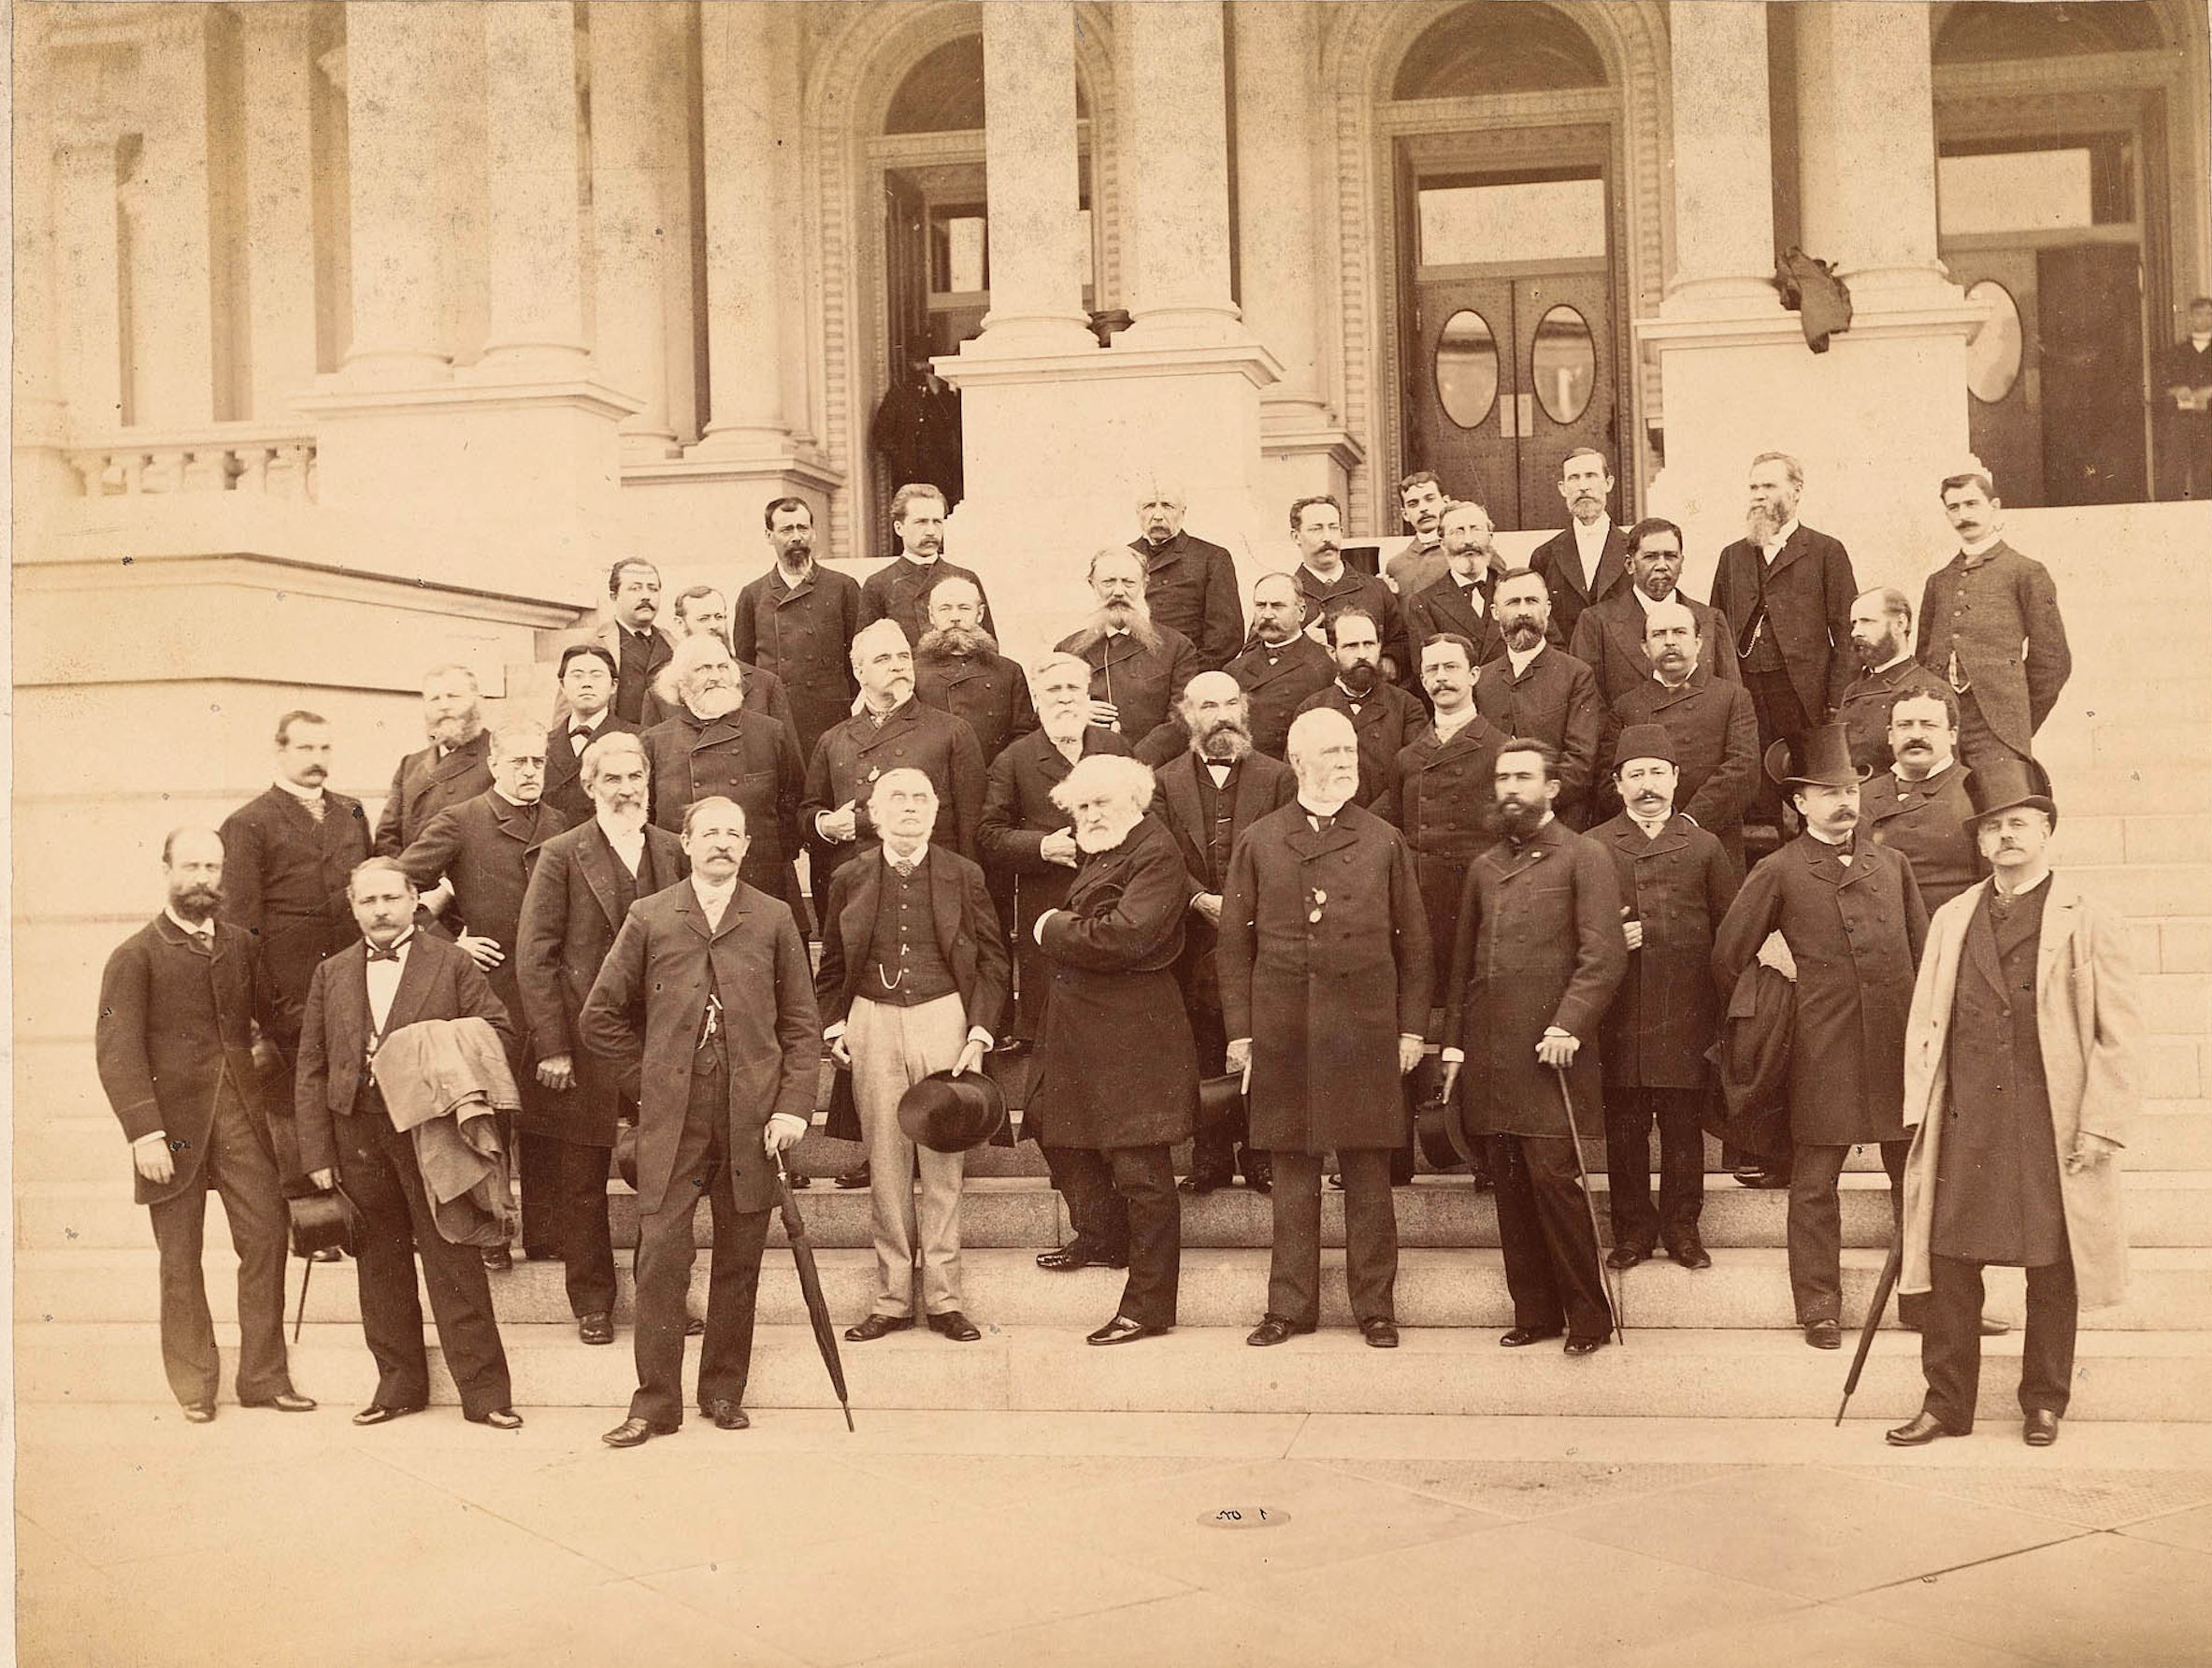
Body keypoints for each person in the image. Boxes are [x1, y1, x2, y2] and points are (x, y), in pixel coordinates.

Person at [1888, 761, 2138, 1449]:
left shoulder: (2089, 918)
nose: (2005, 837)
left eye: (2018, 824)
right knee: (1949, 1265)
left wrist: (2103, 1125)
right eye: (1992, 828)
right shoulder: (1952, 916)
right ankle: (1946, 1404)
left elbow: (2118, 1033)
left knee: (2053, 1266)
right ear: (1979, 843)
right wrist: (1919, 1108)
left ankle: (2045, 1401)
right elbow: (1925, 1021)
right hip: (1966, 1118)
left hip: (2050, 1119)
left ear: (2047, 830)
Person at [582, 798, 819, 1445]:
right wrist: (649, 1084)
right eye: (708, 832)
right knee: (659, 1257)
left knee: (739, 1259)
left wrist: (794, 1107)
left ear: (746, 846)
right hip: (672, 1121)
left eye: (732, 833)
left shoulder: (772, 918)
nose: (720, 842)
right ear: (684, 843)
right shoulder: (650, 916)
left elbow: (802, 1026)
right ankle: (654, 1404)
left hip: (753, 1120)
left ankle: (723, 1390)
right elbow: (600, 1017)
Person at [1712, 724, 1928, 1350]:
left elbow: (1920, 951)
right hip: (1822, 1047)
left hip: (1896, 1044)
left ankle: (1921, 1296)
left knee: (1912, 1177)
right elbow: (1729, 958)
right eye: (1826, 791)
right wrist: (1778, 1001)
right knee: (1814, 1186)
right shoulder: (1779, 870)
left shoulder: (1893, 865)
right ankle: (1819, 1306)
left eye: (1850, 789)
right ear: (1800, 803)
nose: (1843, 801)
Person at [1221, 709, 1431, 1351]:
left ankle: (1376, 1307)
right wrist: (1241, 1034)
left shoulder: (1383, 839)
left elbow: (1417, 945)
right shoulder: (1259, 840)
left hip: (1364, 1025)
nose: (1346, 762)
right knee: (1292, 1171)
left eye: (1350, 750)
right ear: (1296, 758)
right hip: (1285, 1026)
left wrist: (1411, 1031)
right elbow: (1234, 945)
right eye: (1331, 752)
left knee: (1369, 1171)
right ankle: (1289, 1306)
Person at [294, 858, 523, 1430]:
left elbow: (499, 1032)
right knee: (379, 1265)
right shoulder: (334, 972)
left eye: (391, 898)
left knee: (453, 1258)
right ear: (353, 907)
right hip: (358, 1134)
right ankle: (397, 1387)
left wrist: (428, 1049)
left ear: (413, 899)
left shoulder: (450, 962)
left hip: (433, 1133)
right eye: (368, 901)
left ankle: (485, 1394)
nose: (380, 910)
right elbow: (312, 1067)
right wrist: (318, 1155)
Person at [95, 828, 312, 1423]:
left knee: (267, 1238)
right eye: (190, 866)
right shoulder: (134, 955)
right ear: (164, 869)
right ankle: (194, 1383)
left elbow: (281, 1017)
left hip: (242, 1119)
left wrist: (344, 1030)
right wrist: (143, 1133)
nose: (203, 878)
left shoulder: (241, 944)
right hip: (171, 1130)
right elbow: (116, 1052)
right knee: (180, 1256)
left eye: (213, 867)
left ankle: (264, 1378)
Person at [1437, 740, 1628, 1355]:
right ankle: (1536, 1312)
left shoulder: (1585, 856)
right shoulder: (1483, 868)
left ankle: (1588, 1318)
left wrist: (1568, 1025)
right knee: (1511, 1189)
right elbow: (1463, 967)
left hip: (1551, 1054)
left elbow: (1603, 956)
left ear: (1552, 787)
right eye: (1502, 778)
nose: (1510, 788)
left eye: (1523, 777)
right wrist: (1455, 1049)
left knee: (1556, 1185)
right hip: (1493, 1056)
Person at [816, 769, 1009, 1345]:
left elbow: (995, 961)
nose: (908, 807)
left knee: (944, 1161)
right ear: (874, 814)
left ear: (935, 810)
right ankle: (893, 1298)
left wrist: (978, 1032)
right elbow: (830, 964)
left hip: (944, 1016)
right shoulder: (849, 876)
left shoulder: (963, 874)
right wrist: (834, 1027)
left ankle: (945, 1299)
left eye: (920, 797)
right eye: (895, 798)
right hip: (871, 1018)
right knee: (885, 1162)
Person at [516, 732, 688, 1344]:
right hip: (584, 1043)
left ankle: (664, 1296)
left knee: (666, 1176)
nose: (624, 789)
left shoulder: (674, 852)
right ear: (589, 786)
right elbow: (535, 958)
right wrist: (554, 1045)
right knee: (581, 1179)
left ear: (649, 783)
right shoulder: (562, 854)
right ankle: (591, 1301)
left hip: (661, 1043)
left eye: (633, 777)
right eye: (610, 779)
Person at [1030, 754, 1199, 1344]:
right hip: (1081, 1028)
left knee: (1140, 1170)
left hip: (1134, 1031)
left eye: (1102, 802)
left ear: (1136, 801)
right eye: (1082, 806)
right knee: (1060, 1136)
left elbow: (1124, 936)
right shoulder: (1108, 849)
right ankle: (1103, 1239)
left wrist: (1050, 927)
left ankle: (1148, 1306)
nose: (1090, 815)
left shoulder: (1155, 851)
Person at [978, 655, 1137, 1267]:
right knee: (1049, 1102)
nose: (1065, 698)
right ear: (1037, 700)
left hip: (1116, 930)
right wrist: (1041, 845)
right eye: (1053, 691)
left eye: (1074, 687)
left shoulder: (1115, 746)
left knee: (1113, 1093)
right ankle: (1094, 1224)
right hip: (1049, 937)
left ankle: (1119, 1226)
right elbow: (988, 835)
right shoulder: (1015, 760)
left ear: (1090, 692)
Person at [396, 723, 572, 1273]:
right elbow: (401, 886)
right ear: (493, 764)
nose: (527, 772)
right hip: (487, 993)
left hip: (549, 988)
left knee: (546, 1111)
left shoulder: (560, 824)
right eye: (516, 762)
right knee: (491, 1111)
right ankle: (493, 1226)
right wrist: (452, 943)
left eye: (536, 763)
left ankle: (545, 1232)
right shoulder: (461, 820)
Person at [1588, 726, 1740, 1273]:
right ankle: (1631, 1232)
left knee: (1682, 1131)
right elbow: (1577, 931)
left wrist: (1722, 1014)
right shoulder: (1596, 845)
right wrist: (1610, 937)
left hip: (1685, 1013)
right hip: (1622, 1015)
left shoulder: (1703, 847)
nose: (1647, 786)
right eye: (1636, 775)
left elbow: (1730, 930)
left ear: (1676, 779)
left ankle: (1682, 1229)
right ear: (1618, 784)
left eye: (1657, 772)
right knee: (1625, 1129)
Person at [1152, 672, 1296, 1195]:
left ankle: (1260, 1156)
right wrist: (1196, 898)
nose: (1221, 714)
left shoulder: (1279, 778)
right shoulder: (1163, 781)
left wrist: (1241, 906)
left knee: (1264, 1040)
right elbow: (1162, 853)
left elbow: (1285, 847)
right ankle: (1210, 1158)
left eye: (1230, 702)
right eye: (1207, 705)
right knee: (1204, 1046)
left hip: (1260, 932)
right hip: (1191, 935)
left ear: (1245, 709)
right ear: (1187, 715)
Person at [1710, 453, 1858, 828]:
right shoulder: (1732, 557)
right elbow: (1716, 633)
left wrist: (1836, 704)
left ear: (1796, 491)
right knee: (1755, 800)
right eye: (1753, 487)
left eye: (1769, 486)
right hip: (1746, 697)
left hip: (1803, 699)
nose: (1758, 495)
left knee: (1811, 797)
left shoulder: (1826, 551)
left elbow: (1846, 633)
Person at [218, 712, 373, 1068]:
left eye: (324, 748)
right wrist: (275, 1011)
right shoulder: (248, 823)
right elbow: (240, 931)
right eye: (305, 748)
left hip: (355, 989)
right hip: (290, 1003)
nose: (317, 759)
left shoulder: (352, 811)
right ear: (280, 750)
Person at [1381, 634, 1510, 1022]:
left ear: (1473, 675)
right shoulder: (1407, 759)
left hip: (1482, 900)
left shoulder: (1503, 748)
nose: (1442, 678)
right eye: (1432, 670)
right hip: (1424, 903)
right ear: (1421, 681)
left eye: (1451, 667)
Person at [1916, 468, 2072, 775]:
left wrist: (2016, 721)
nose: (1963, 514)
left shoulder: (2025, 572)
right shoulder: (1939, 581)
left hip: (1997, 728)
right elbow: (1923, 657)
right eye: (1954, 507)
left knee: (1999, 810)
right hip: (1943, 726)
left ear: (1995, 507)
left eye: (1972, 504)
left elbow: (2053, 662)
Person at [804, 619, 987, 879]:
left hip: (929, 880)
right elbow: (808, 812)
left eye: (903, 656)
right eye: (883, 659)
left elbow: (972, 829)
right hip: (856, 885)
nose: (898, 665)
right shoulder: (834, 739)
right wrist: (826, 824)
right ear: (859, 671)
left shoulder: (952, 731)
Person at [640, 637, 807, 921]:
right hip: (685, 889)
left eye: (722, 667)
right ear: (680, 683)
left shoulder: (770, 733)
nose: (715, 676)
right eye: (703, 669)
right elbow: (650, 822)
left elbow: (793, 805)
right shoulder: (654, 742)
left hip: (761, 884)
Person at [1601, 600, 1760, 862]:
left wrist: (1689, 821)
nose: (1670, 641)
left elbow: (1744, 770)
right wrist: (1649, 823)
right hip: (1643, 843)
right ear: (1644, 647)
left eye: (1680, 632)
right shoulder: (1625, 706)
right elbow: (1608, 779)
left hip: (1712, 840)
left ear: (1699, 642)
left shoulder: (1732, 697)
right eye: (1659, 634)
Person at [732, 496, 866, 766]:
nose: (796, 537)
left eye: (802, 528)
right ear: (769, 536)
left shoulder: (843, 587)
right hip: (776, 716)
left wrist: (834, 698)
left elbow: (858, 656)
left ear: (813, 533)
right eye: (786, 530)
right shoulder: (752, 595)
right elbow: (746, 666)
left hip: (828, 715)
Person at [1473, 569, 1602, 828]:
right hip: (1493, 823)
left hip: (1559, 822)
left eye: (1531, 601)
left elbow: (1580, 761)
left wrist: (1531, 802)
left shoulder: (1576, 675)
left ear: (1548, 609)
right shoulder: (1481, 679)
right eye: (1512, 602)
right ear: (1495, 612)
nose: (1523, 611)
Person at [1568, 517, 1740, 706]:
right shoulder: (1596, 622)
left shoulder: (1710, 619)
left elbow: (1733, 700)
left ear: (1681, 563)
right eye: (1650, 557)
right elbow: (1587, 702)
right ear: (1629, 565)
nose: (1661, 565)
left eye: (1671, 556)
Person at [1056, 547, 1201, 747]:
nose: (1118, 592)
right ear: (1092, 585)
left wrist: (1135, 759)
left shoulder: (1177, 647)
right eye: (1108, 582)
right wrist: (1074, 712)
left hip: (1151, 765)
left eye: (1128, 582)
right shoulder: (1068, 650)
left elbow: (1181, 719)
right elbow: (1047, 713)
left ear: (1144, 585)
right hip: (1086, 765)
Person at [1862, 689, 1987, 913]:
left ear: (1952, 734)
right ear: (1890, 735)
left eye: (1929, 725)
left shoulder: (1978, 793)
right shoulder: (1862, 796)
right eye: (1905, 725)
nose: (1916, 735)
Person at [1294, 608, 1429, 809]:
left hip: (1388, 824)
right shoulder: (1311, 710)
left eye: (1369, 644)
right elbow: (1301, 780)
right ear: (1332, 652)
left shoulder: (1408, 707)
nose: (1362, 654)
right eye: (1351, 646)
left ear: (1379, 646)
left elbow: (1413, 777)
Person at [639, 585, 798, 740]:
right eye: (704, 619)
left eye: (719, 617)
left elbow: (789, 760)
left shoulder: (766, 684)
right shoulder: (659, 696)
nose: (714, 626)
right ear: (680, 623)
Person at [372, 665, 493, 859]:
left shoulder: (498, 756)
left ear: (477, 701)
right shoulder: (410, 765)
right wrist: (401, 880)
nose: (443, 705)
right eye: (435, 698)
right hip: (410, 882)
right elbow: (387, 834)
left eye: (453, 696)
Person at [914, 572, 1037, 762]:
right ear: (931, 615)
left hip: (994, 780)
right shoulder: (914, 672)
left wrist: (999, 775)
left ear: (980, 614)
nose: (955, 617)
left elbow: (1024, 735)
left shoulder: (1008, 671)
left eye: (964, 608)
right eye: (945, 609)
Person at [1288, 495, 1409, 683]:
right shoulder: (1284, 594)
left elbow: (1402, 640)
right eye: (1316, 529)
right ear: (1296, 536)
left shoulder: (1376, 589)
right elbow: (1256, 655)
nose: (1327, 537)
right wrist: (1300, 644)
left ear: (1342, 532)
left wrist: (1389, 660)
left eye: (1333, 527)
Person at [1832, 588, 1953, 776]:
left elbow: (1942, 776)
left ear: (1900, 624)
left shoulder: (1929, 689)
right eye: (1854, 624)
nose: (1856, 632)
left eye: (1867, 622)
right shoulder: (1852, 689)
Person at [859, 482, 994, 648]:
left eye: (937, 522)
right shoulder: (879, 584)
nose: (931, 531)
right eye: (921, 522)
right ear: (899, 528)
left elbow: (989, 648)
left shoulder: (966, 578)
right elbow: (867, 651)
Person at [1221, 571, 1336, 761]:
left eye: (1277, 606)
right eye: (1260, 606)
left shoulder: (1325, 664)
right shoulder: (1234, 670)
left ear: (1301, 612)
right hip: (1251, 773)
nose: (1267, 614)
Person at [1131, 482, 1244, 671]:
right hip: (1135, 674)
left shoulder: (1211, 557)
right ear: (1138, 512)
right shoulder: (1123, 557)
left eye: (1167, 506)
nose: (1158, 516)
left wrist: (1186, 674)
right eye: (1149, 506)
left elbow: (1226, 637)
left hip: (1187, 674)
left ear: (1182, 512)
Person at [1530, 448, 1630, 647]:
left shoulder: (1635, 550)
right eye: (1574, 478)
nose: (1583, 486)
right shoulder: (1544, 556)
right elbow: (1538, 615)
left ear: (1608, 483)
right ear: (1562, 488)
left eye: (1591, 476)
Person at [1403, 499, 1510, 669]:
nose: (1469, 540)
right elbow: (1426, 671)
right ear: (1442, 544)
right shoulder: (1424, 604)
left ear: (1490, 538)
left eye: (1476, 529)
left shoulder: (1514, 591)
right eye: (1458, 531)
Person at [541, 645, 639, 826]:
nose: (587, 683)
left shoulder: (639, 739)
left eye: (596, 675)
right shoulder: (543, 744)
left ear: (613, 686)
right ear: (562, 685)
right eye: (577, 675)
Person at [575, 557, 674, 726]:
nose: (646, 596)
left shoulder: (673, 643)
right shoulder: (593, 644)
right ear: (614, 596)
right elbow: (569, 711)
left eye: (653, 589)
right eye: (635, 589)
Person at [2155, 295, 2212, 501]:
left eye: (2209, 314)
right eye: (2199, 314)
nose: (2204, 319)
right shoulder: (2178, 352)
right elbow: (2164, 385)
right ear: (2191, 318)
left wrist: (2209, 392)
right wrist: (2179, 390)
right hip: (2182, 421)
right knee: (2174, 474)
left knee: (2207, 475)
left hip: (2209, 421)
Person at [1383, 469, 1454, 601]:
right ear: (1405, 514)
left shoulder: (1464, 550)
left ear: (1446, 502)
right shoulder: (1396, 565)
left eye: (1430, 499)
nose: (1423, 508)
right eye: (1413, 504)